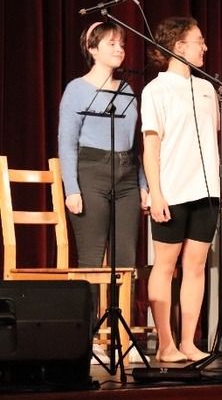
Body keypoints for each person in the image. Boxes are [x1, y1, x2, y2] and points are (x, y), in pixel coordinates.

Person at [58, 21, 148, 363]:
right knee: (93, 259)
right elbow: (67, 142)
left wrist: (143, 184)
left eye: (121, 43)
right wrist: (72, 188)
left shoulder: (126, 90)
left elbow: (136, 144)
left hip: (126, 175)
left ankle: (123, 339)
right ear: (92, 49)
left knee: (126, 260)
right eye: (111, 43)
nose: (119, 48)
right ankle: (92, 338)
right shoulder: (77, 90)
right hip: (91, 172)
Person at [141, 16, 222, 363]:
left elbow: (210, 139)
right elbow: (151, 147)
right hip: (172, 191)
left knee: (195, 266)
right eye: (198, 40)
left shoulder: (207, 89)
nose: (205, 47)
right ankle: (166, 343)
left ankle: (188, 342)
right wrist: (156, 192)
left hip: (205, 191)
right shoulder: (156, 90)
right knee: (165, 266)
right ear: (178, 46)